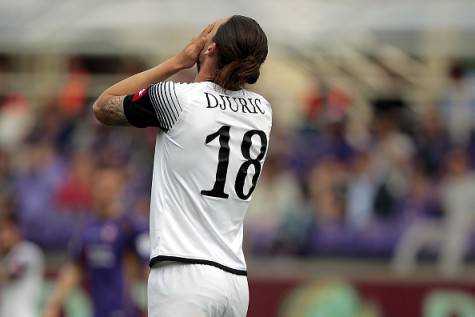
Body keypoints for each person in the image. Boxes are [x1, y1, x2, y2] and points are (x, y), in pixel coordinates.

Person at [92, 15, 270, 317]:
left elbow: (103, 105)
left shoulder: (177, 99)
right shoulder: (263, 111)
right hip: (235, 283)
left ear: (210, 47)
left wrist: (177, 61)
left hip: (183, 276)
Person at [43, 167, 149, 317]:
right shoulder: (86, 228)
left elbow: (148, 270)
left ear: (119, 190)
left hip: (123, 310)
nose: (103, 192)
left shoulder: (131, 227)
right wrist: (54, 304)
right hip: (97, 311)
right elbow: (74, 268)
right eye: (99, 187)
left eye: (108, 188)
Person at [0, 212, 44, 317]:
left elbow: (12, 274)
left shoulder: (28, 251)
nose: (2, 236)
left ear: (16, 230)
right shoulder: (6, 256)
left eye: (4, 231)